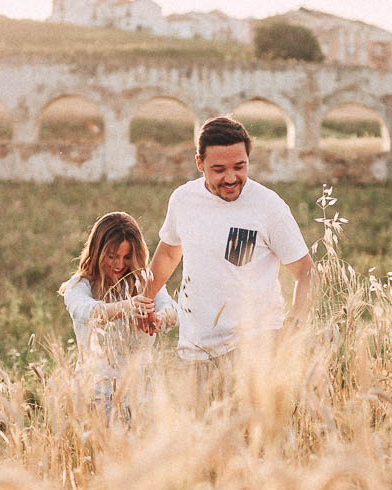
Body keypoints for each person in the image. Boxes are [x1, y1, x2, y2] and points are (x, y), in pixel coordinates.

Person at [131, 115, 314, 406]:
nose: (231, 178)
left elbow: (306, 272)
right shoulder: (183, 200)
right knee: (202, 442)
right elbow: (168, 252)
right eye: (219, 169)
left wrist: (293, 326)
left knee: (252, 443)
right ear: (199, 164)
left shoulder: (268, 206)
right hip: (195, 350)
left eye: (239, 167)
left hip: (254, 348)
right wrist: (147, 300)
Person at [60, 211, 176, 415]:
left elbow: (172, 310)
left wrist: (159, 318)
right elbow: (89, 312)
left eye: (127, 257)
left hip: (143, 399)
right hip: (96, 397)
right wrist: (129, 307)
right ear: (98, 252)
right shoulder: (79, 286)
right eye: (112, 257)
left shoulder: (145, 283)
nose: (119, 264)